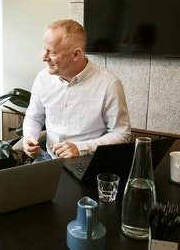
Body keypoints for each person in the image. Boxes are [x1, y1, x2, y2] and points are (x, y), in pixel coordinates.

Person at [22, 19, 132, 161]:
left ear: (76, 54)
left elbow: (122, 134)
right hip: (47, 159)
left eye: (52, 53)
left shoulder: (109, 84)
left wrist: (81, 148)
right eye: (45, 50)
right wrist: (30, 137)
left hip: (89, 162)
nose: (44, 58)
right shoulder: (42, 79)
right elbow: (34, 117)